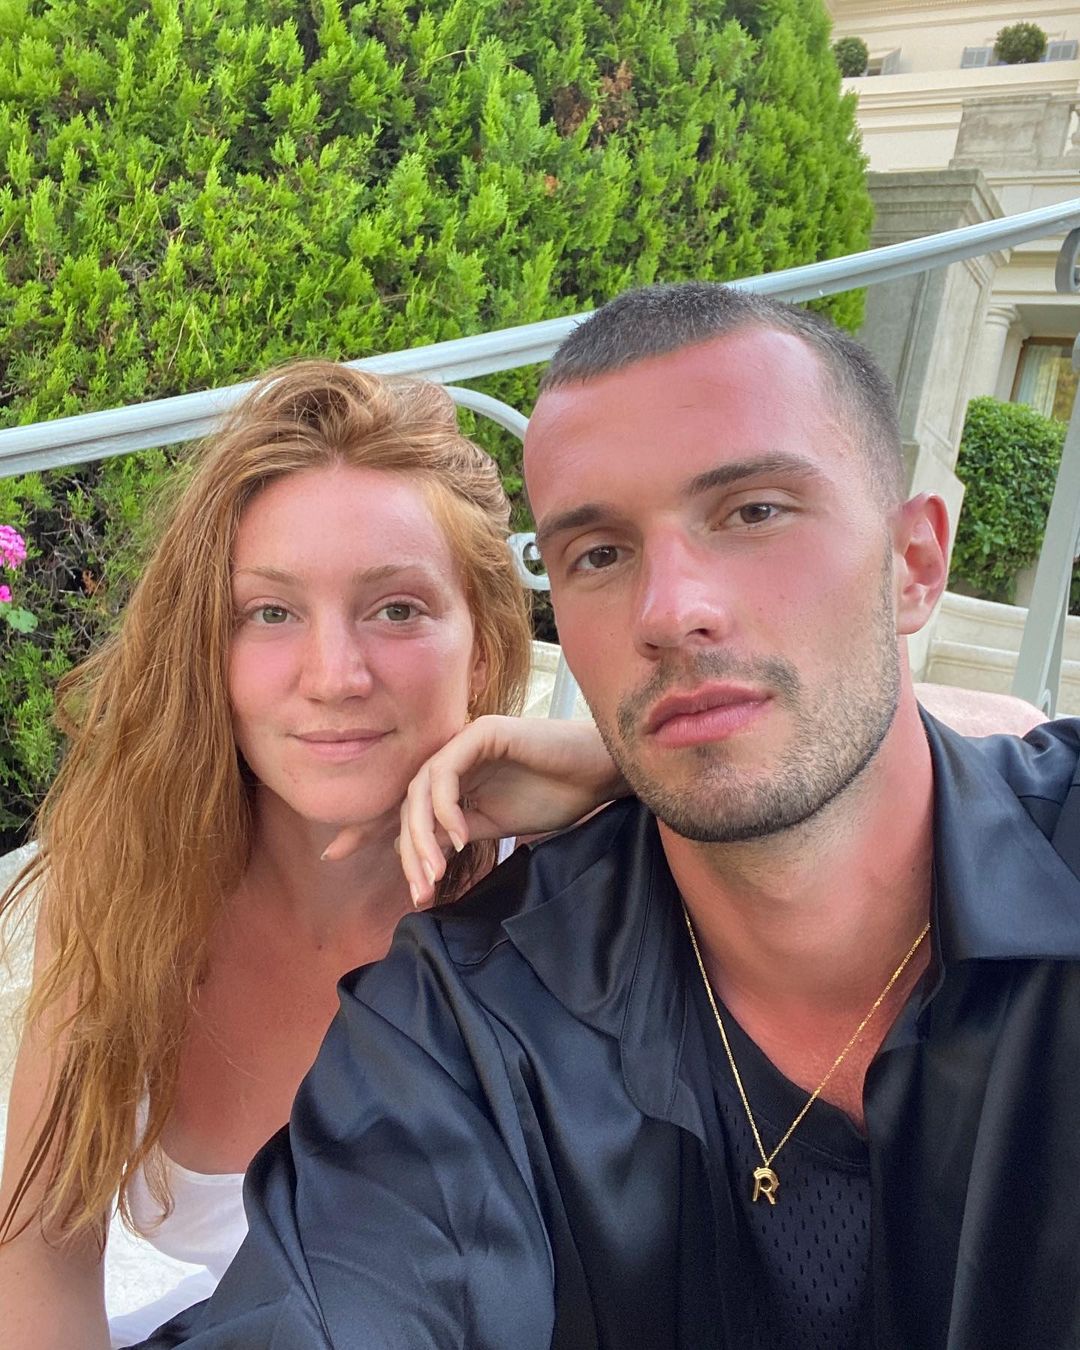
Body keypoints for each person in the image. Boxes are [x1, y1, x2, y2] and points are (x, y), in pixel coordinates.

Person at [129, 281, 1080, 1350]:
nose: (671, 612)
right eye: (599, 554)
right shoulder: (462, 1027)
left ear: (915, 563)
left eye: (754, 512)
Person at [0, 359, 626, 1349]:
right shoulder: (130, 880)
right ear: (208, 645)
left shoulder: (571, 878)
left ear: (483, 645)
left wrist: (624, 769)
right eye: (271, 613)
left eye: (397, 609)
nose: (334, 676)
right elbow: (39, 1255)